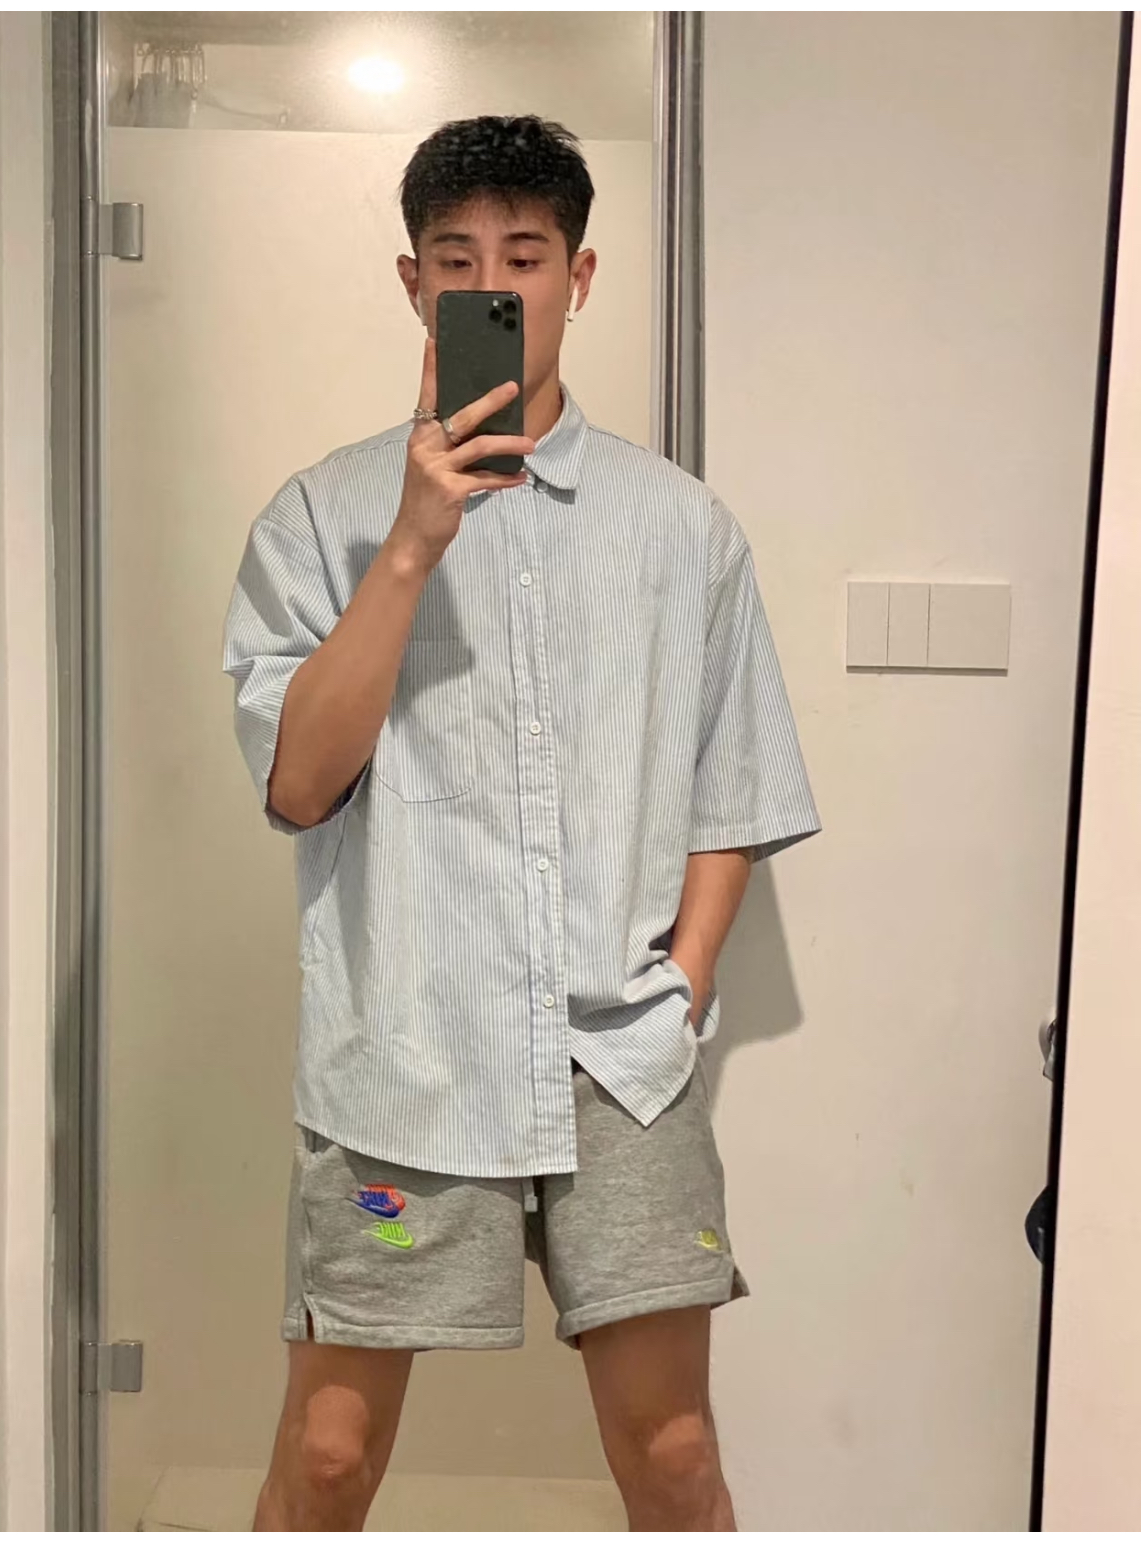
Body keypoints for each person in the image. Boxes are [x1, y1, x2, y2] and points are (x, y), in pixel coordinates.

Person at [222, 114, 820, 1532]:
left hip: (622, 1062)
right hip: (405, 1058)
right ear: (413, 282)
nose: (492, 284)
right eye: (456, 259)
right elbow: (297, 786)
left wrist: (688, 982)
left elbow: (731, 784)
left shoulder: (681, 528)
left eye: (525, 255)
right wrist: (414, 541)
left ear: (580, 275)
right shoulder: (322, 517)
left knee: (675, 1453)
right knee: (328, 1455)